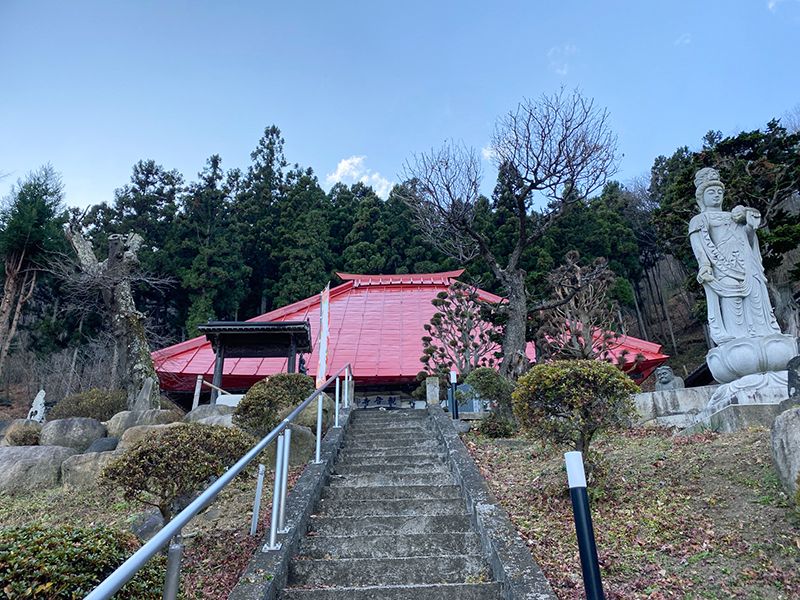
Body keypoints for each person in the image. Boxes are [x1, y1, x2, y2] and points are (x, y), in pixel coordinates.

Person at [688, 168, 781, 345]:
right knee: (733, 303)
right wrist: (705, 266)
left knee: (757, 302)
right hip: (723, 269)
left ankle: (765, 334)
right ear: (701, 197)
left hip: (747, 266)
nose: (716, 195)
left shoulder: (734, 216)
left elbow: (749, 240)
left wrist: (748, 221)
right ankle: (738, 340)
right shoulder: (700, 220)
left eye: (719, 192)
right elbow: (699, 247)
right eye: (711, 192)